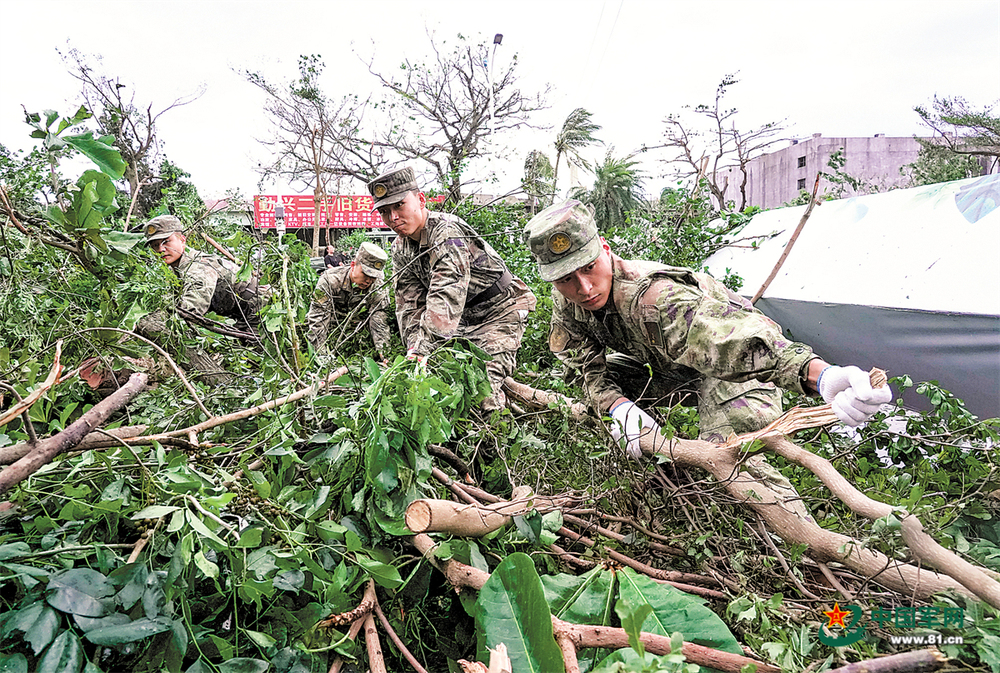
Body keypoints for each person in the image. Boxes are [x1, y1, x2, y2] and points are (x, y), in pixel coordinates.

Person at [522, 199, 892, 458]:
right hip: (675, 369)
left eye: (589, 268)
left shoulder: (654, 297)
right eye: (567, 279)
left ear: (604, 249)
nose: (583, 288)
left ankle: (789, 541)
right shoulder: (567, 301)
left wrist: (821, 377)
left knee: (725, 458)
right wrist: (619, 409)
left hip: (734, 370)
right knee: (599, 410)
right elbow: (586, 367)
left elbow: (732, 339)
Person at [368, 166, 536, 411]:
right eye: (384, 211)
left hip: (500, 311)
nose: (393, 217)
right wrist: (415, 350)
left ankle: (498, 430)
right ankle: (509, 396)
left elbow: (447, 293)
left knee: (480, 392)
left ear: (421, 200)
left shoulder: (446, 233)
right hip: (460, 320)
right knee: (444, 385)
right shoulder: (400, 249)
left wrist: (425, 349)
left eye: (399, 206)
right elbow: (409, 305)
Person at [144, 215, 267, 328]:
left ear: (182, 240)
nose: (160, 249)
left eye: (166, 241)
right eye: (155, 245)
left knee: (254, 347)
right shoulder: (176, 268)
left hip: (259, 306)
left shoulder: (197, 266)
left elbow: (192, 309)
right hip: (240, 311)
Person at [306, 242, 392, 362]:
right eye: (365, 274)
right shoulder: (329, 280)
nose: (369, 280)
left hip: (360, 334)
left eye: (374, 276)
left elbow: (379, 321)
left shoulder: (377, 288)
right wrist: (320, 356)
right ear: (353, 265)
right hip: (331, 331)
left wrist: (383, 353)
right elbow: (318, 318)